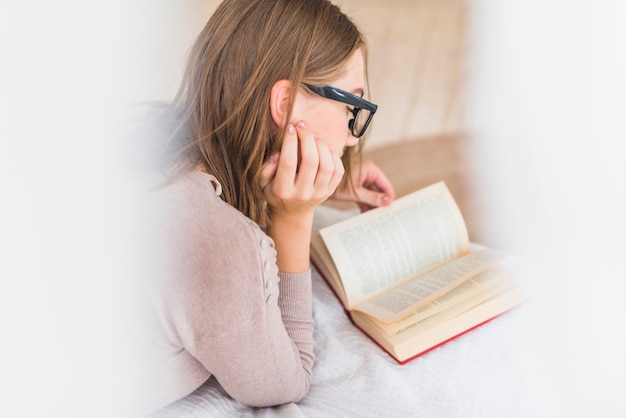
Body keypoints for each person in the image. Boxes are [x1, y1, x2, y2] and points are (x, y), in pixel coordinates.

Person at [139, 0, 395, 412]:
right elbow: (280, 384)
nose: (351, 138)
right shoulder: (222, 244)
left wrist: (322, 179)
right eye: (352, 107)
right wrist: (293, 219)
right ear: (287, 103)